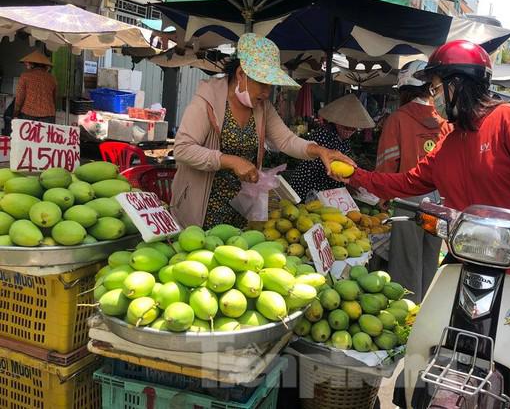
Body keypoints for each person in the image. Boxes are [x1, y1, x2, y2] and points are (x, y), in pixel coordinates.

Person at [336, 40, 510, 388]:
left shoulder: (509, 119)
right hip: (468, 260)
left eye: (436, 87)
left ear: (457, 84)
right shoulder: (449, 141)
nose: (433, 96)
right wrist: (355, 173)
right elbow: (406, 182)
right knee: (438, 343)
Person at [171, 33, 353, 229]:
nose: (267, 92)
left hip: (241, 209)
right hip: (202, 208)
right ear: (241, 74)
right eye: (262, 83)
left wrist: (320, 151)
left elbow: (286, 141)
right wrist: (230, 161)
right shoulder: (207, 101)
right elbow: (182, 149)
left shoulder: (262, 107)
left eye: (270, 85)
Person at [374, 60, 451, 303]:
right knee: (430, 259)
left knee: (406, 262)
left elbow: (387, 164)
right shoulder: (444, 123)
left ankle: (406, 316)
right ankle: (424, 310)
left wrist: (382, 197)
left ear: (405, 89)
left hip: (408, 200)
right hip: (440, 202)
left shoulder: (397, 119)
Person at [288, 94, 374, 200]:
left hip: (327, 187)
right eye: (347, 127)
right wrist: (346, 183)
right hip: (308, 183)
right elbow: (324, 166)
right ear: (338, 123)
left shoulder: (345, 140)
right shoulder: (323, 134)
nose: (350, 131)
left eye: (353, 129)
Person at [14, 51, 57, 124]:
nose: (26, 65)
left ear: (32, 64)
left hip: (28, 114)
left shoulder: (25, 76)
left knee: (29, 135)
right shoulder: (52, 78)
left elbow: (19, 97)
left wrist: (16, 112)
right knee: (44, 135)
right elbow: (54, 98)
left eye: (27, 63)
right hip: (48, 115)